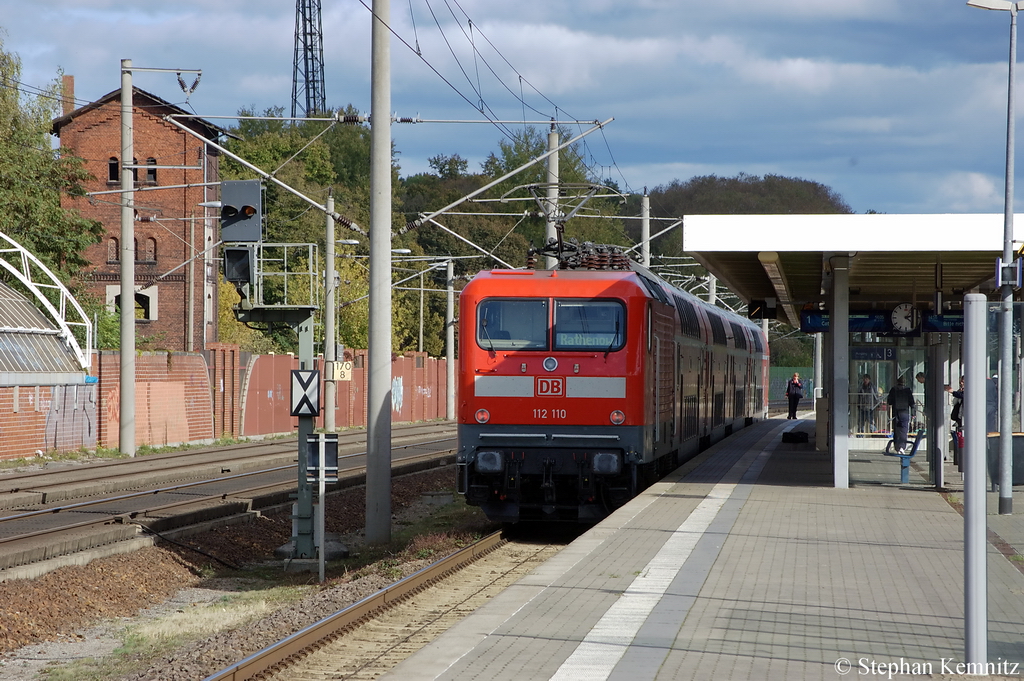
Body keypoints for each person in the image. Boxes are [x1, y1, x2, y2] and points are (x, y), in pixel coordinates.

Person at [887, 377, 914, 454]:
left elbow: (890, 401)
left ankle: (897, 447)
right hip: (905, 412)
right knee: (904, 430)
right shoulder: (908, 390)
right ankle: (902, 447)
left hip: (896, 412)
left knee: (897, 430)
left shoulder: (893, 389)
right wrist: (913, 413)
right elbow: (912, 402)